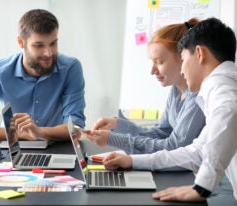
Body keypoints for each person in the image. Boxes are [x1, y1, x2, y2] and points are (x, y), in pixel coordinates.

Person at [101, 17, 237, 204]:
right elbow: (197, 152)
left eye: (182, 59)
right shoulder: (221, 84)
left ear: (199, 53)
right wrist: (133, 161)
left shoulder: (221, 86)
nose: (182, 70)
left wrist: (201, 188)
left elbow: (228, 113)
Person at [0, 9, 86, 141]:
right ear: (21, 42)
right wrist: (19, 134)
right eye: (39, 46)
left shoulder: (71, 68)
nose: (48, 53)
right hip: (15, 148)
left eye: (53, 43)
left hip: (58, 147)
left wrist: (38, 132)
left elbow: (76, 129)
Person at [85, 18, 205, 154]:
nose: (152, 71)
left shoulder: (198, 95)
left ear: (183, 57)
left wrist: (113, 139)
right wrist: (117, 125)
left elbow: (175, 146)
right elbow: (161, 132)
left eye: (159, 62)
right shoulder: (176, 90)